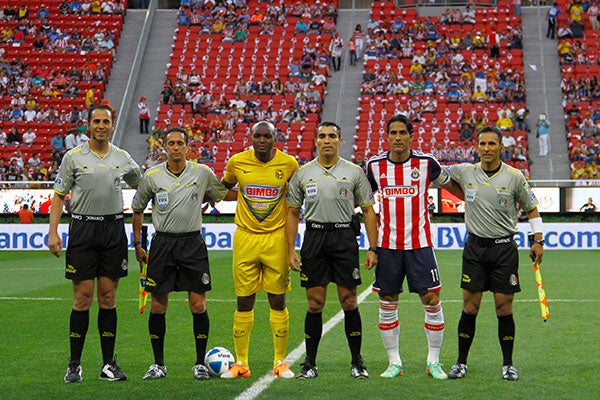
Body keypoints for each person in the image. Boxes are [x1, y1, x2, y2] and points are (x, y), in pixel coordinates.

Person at [48, 104, 142, 383]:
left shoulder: (123, 157)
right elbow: (58, 195)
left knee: (108, 299)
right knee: (83, 299)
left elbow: (144, 186)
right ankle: (74, 365)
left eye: (106, 121)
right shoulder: (73, 157)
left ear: (112, 125)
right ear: (88, 125)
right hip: (83, 229)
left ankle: (108, 365)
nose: (101, 125)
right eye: (96, 121)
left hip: (113, 230)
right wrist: (53, 232)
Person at [365, 114, 464, 380]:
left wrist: (475, 201)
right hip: (387, 247)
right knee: (387, 301)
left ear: (411, 135)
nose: (397, 137)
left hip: (420, 246)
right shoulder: (374, 166)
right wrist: (372, 246)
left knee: (431, 300)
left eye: (402, 133)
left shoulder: (426, 163)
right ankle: (394, 362)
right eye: (393, 133)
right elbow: (366, 206)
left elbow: (451, 185)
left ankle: (434, 361)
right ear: (387, 136)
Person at [445, 126, 545, 381]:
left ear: (501, 147)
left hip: (504, 249)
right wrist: (463, 195)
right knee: (470, 307)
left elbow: (532, 209)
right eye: (482, 144)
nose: (487, 148)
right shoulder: (465, 171)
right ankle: (461, 362)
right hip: (475, 249)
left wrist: (538, 241)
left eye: (492, 144)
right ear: (476, 146)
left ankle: (508, 364)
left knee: (504, 307)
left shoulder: (514, 176)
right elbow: (438, 176)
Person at [131, 127, 230, 381]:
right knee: (157, 305)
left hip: (192, 244)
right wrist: (138, 243)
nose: (176, 147)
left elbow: (220, 194)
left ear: (188, 146)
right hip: (162, 244)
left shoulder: (202, 172)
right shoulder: (152, 176)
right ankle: (158, 364)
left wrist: (254, 188)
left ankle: (199, 364)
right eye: (171, 143)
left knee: (198, 305)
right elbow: (137, 208)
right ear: (164, 147)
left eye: (180, 143)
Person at [286, 122, 378, 379]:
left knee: (349, 301)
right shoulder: (303, 173)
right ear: (315, 141)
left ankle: (357, 361)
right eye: (322, 136)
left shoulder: (354, 172)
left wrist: (373, 247)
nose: (327, 140)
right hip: (314, 238)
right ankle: (310, 363)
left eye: (332, 136)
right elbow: (292, 212)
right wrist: (291, 249)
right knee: (315, 303)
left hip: (344, 238)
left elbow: (369, 210)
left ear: (340, 141)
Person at [219, 121, 299, 379]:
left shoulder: (289, 164)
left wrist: (291, 247)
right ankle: (241, 362)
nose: (262, 140)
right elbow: (224, 187)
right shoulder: (237, 162)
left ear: (275, 138)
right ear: (251, 138)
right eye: (257, 136)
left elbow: (295, 201)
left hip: (275, 238)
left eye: (267, 136)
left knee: (277, 299)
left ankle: (280, 362)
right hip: (245, 237)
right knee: (244, 300)